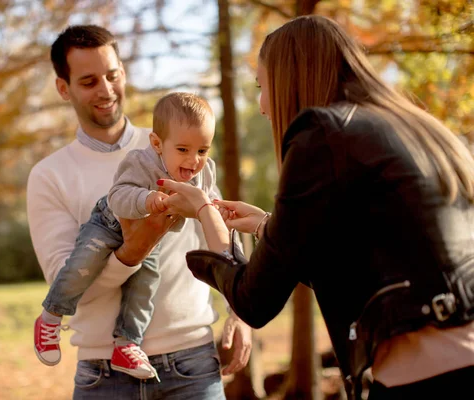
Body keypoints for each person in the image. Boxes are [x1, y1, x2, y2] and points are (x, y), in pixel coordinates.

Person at [157, 15, 474, 400]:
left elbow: (254, 300)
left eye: (262, 86)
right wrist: (265, 226)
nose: (260, 105)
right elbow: (370, 256)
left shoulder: (320, 133)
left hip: (429, 378)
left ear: (291, 77)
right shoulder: (417, 127)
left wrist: (205, 212)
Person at [26, 24, 252, 399]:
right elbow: (68, 283)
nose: (106, 90)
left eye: (112, 75)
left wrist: (240, 311)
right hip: (103, 377)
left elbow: (220, 227)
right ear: (63, 88)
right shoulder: (49, 176)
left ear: (123, 73)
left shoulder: (181, 144)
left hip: (193, 364)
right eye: (88, 81)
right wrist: (133, 251)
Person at [33, 91, 221, 382]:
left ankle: (127, 343)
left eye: (202, 150)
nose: (194, 160)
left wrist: (219, 212)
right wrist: (147, 200)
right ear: (157, 144)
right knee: (84, 264)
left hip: (152, 238)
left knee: (144, 287)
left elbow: (207, 205)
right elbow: (118, 196)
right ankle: (51, 316)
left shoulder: (204, 173)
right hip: (108, 225)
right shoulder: (141, 161)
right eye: (183, 150)